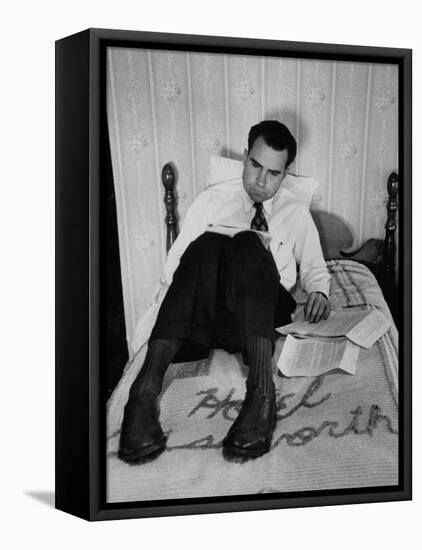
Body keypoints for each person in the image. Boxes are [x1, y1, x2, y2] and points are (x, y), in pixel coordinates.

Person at [118, 120, 331, 463]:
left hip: (262, 314)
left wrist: (319, 292)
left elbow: (314, 268)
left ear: (285, 174)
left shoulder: (295, 212)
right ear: (245, 157)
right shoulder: (211, 200)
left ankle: (261, 393)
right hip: (209, 316)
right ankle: (143, 394)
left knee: (249, 243)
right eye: (255, 166)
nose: (261, 181)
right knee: (207, 244)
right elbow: (177, 268)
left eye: (273, 173)